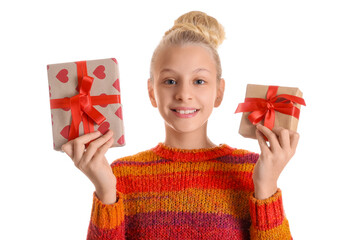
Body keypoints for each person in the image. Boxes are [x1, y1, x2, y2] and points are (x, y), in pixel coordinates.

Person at [62, 10, 298, 240]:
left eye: (199, 81)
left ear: (219, 92)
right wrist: (105, 192)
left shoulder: (251, 171)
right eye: (170, 81)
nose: (184, 94)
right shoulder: (120, 176)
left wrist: (267, 186)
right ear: (152, 92)